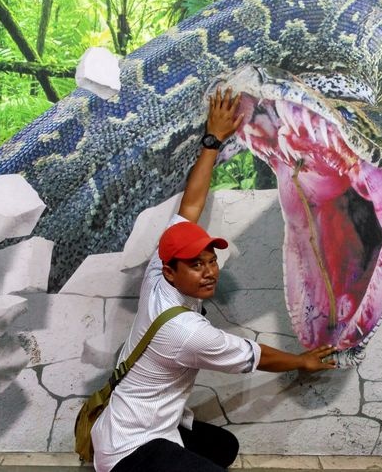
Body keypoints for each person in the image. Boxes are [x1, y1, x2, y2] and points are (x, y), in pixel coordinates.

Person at [91, 88, 337, 472]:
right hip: (129, 449)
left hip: (139, 423)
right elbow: (257, 356)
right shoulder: (186, 332)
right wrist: (301, 361)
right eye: (196, 265)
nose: (209, 271)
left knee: (223, 446)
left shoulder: (160, 271)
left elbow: (191, 205)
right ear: (172, 271)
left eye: (210, 260)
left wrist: (213, 140)